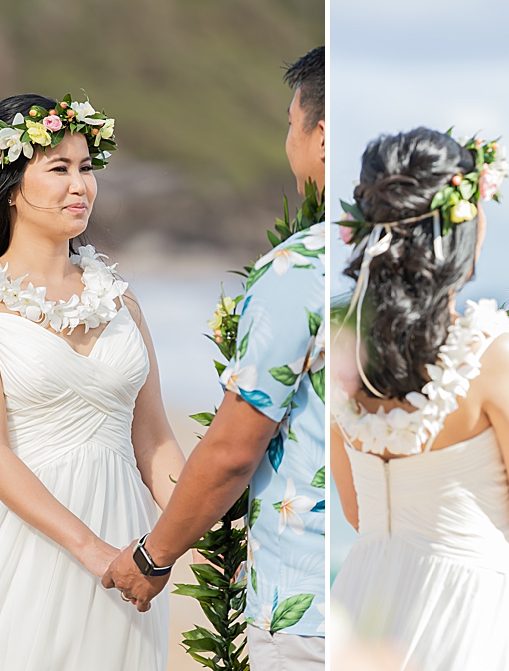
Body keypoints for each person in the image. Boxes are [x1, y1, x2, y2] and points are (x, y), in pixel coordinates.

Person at [0, 93, 184, 670]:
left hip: (129, 548)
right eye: (59, 169)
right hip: (26, 538)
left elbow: (154, 442)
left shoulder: (121, 299)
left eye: (86, 168)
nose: (80, 185)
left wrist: (198, 532)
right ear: (9, 182)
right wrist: (91, 550)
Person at [330, 127, 509, 671]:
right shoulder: (493, 354)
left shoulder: (343, 343)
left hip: (367, 599)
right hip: (475, 610)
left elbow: (357, 509)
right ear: (461, 229)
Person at [103, 46, 326, 671]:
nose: (288, 143)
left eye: (290, 124)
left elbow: (232, 450)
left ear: (322, 136)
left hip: (311, 606)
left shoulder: (301, 270)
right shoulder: (420, 267)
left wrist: (154, 556)